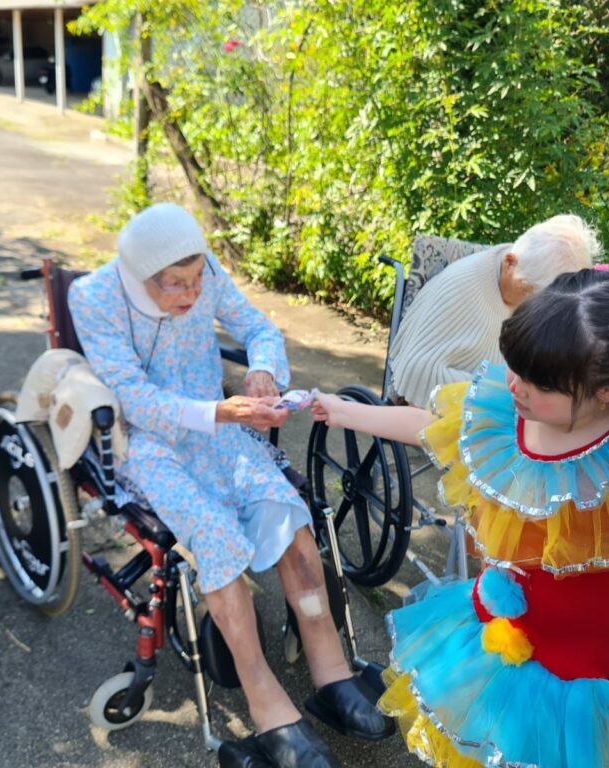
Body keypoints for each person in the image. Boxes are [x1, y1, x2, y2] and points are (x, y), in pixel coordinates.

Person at [311, 265, 609, 767]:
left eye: (538, 382)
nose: (514, 385)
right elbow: (428, 424)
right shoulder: (504, 411)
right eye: (513, 365)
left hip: (583, 674)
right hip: (491, 639)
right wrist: (341, 411)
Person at [69, 203, 393, 768]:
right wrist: (220, 413)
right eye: (176, 285)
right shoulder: (94, 297)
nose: (192, 294)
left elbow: (259, 328)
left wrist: (264, 369)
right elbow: (135, 397)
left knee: (292, 520)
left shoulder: (203, 271)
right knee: (215, 537)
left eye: (198, 279)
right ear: (141, 276)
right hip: (152, 442)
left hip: (223, 429)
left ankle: (331, 674)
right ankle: (267, 706)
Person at [388, 214, 599, 406]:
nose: (533, 307)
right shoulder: (461, 286)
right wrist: (497, 391)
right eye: (528, 291)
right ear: (509, 263)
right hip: (434, 409)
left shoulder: (529, 268)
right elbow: (416, 371)